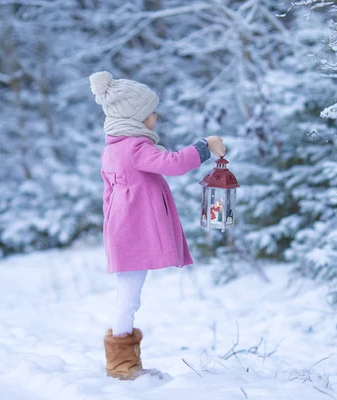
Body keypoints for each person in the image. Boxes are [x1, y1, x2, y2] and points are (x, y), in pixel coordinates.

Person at [89, 71, 225, 380]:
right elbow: (174, 163)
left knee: (128, 295)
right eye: (150, 111)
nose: (155, 116)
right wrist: (206, 146)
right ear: (134, 117)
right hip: (133, 232)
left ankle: (125, 364)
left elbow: (108, 195)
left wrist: (111, 232)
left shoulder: (112, 149)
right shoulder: (135, 148)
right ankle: (122, 366)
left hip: (123, 230)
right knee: (128, 296)